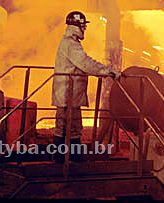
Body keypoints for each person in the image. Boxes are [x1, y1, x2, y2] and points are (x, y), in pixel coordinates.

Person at [51, 10, 121, 163]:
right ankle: (63, 160)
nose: (84, 29)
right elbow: (85, 63)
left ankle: (68, 158)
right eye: (84, 26)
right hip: (67, 94)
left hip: (69, 95)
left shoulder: (70, 42)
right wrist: (107, 71)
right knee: (66, 127)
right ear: (78, 26)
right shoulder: (70, 44)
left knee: (70, 127)